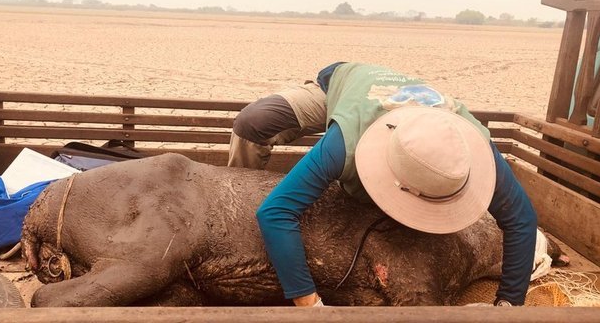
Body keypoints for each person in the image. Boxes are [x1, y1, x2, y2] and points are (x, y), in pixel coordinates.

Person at [228, 62, 537, 307]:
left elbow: (522, 219)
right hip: (345, 85)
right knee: (251, 122)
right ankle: (232, 206)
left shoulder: (474, 145)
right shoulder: (345, 145)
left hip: (411, 106)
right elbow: (276, 211)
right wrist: (309, 304)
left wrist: (509, 302)